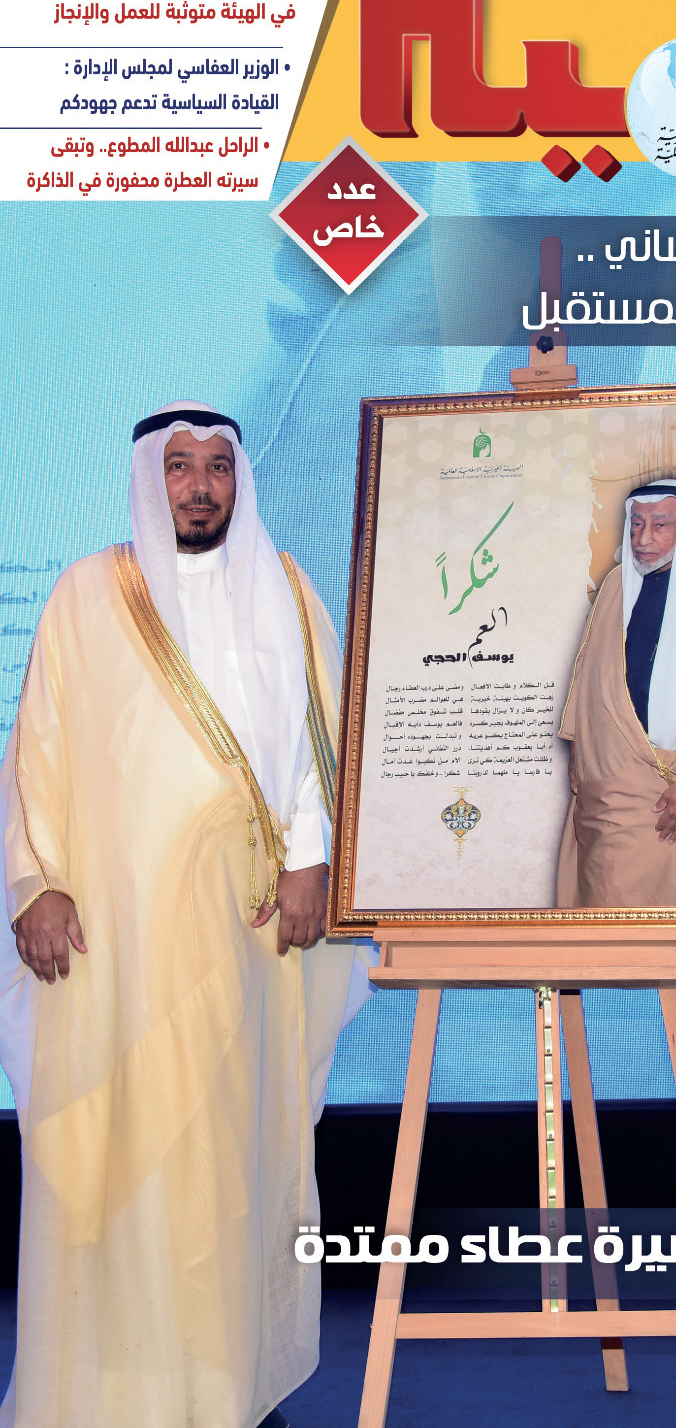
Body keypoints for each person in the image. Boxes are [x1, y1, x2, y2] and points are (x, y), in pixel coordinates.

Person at [0, 402, 372, 1428]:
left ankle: (226, 1391)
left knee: (229, 1163)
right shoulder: (87, 593)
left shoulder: (285, 586)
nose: (199, 486)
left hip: (247, 932)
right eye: (177, 467)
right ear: (146, 479)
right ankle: (116, 1396)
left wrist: (311, 862)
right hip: (113, 942)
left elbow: (317, 744)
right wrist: (37, 884)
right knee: (123, 1159)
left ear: (239, 478)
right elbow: (37, 750)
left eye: (216, 466)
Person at [557, 480, 676, 907]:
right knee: (606, 898)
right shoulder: (618, 585)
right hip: (610, 781)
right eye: (636, 524)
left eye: (660, 525)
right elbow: (590, 672)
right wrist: (580, 752)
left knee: (668, 910)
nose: (643, 538)